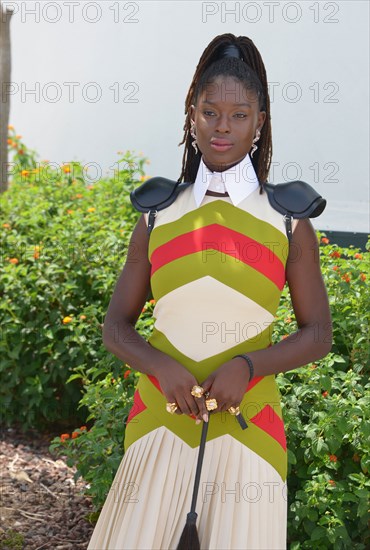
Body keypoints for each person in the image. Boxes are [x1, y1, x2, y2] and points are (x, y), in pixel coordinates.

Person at [87, 33, 332, 550]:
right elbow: (116, 326)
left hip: (250, 428)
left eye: (239, 115)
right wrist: (160, 366)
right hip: (158, 419)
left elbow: (317, 334)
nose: (223, 127)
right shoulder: (157, 214)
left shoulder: (288, 220)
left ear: (259, 122)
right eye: (210, 112)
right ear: (191, 116)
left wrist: (248, 367)